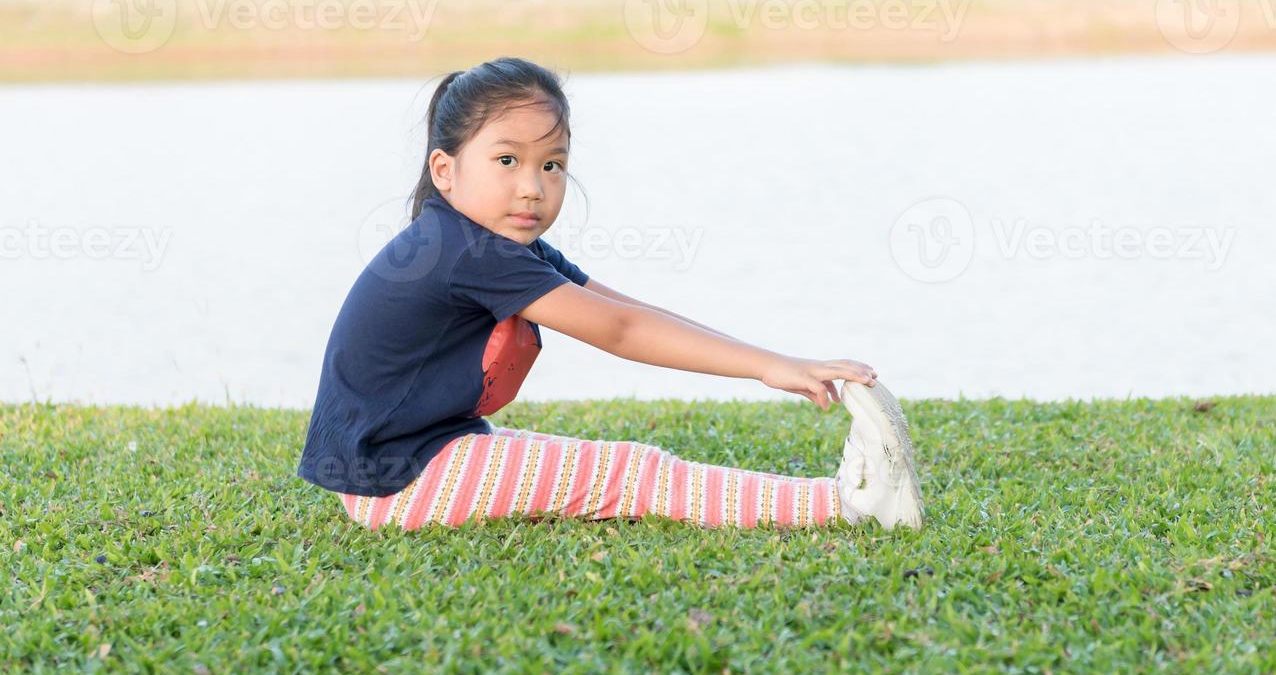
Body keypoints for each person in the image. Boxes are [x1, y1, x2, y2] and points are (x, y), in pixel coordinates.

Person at [295, 57, 924, 532]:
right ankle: (850, 506)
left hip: (414, 460)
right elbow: (618, 334)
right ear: (445, 171)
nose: (533, 188)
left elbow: (626, 310)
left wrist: (776, 358)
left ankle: (843, 496)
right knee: (631, 472)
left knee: (597, 464)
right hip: (399, 482)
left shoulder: (484, 242)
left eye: (552, 165)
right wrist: (769, 369)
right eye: (507, 160)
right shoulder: (468, 252)